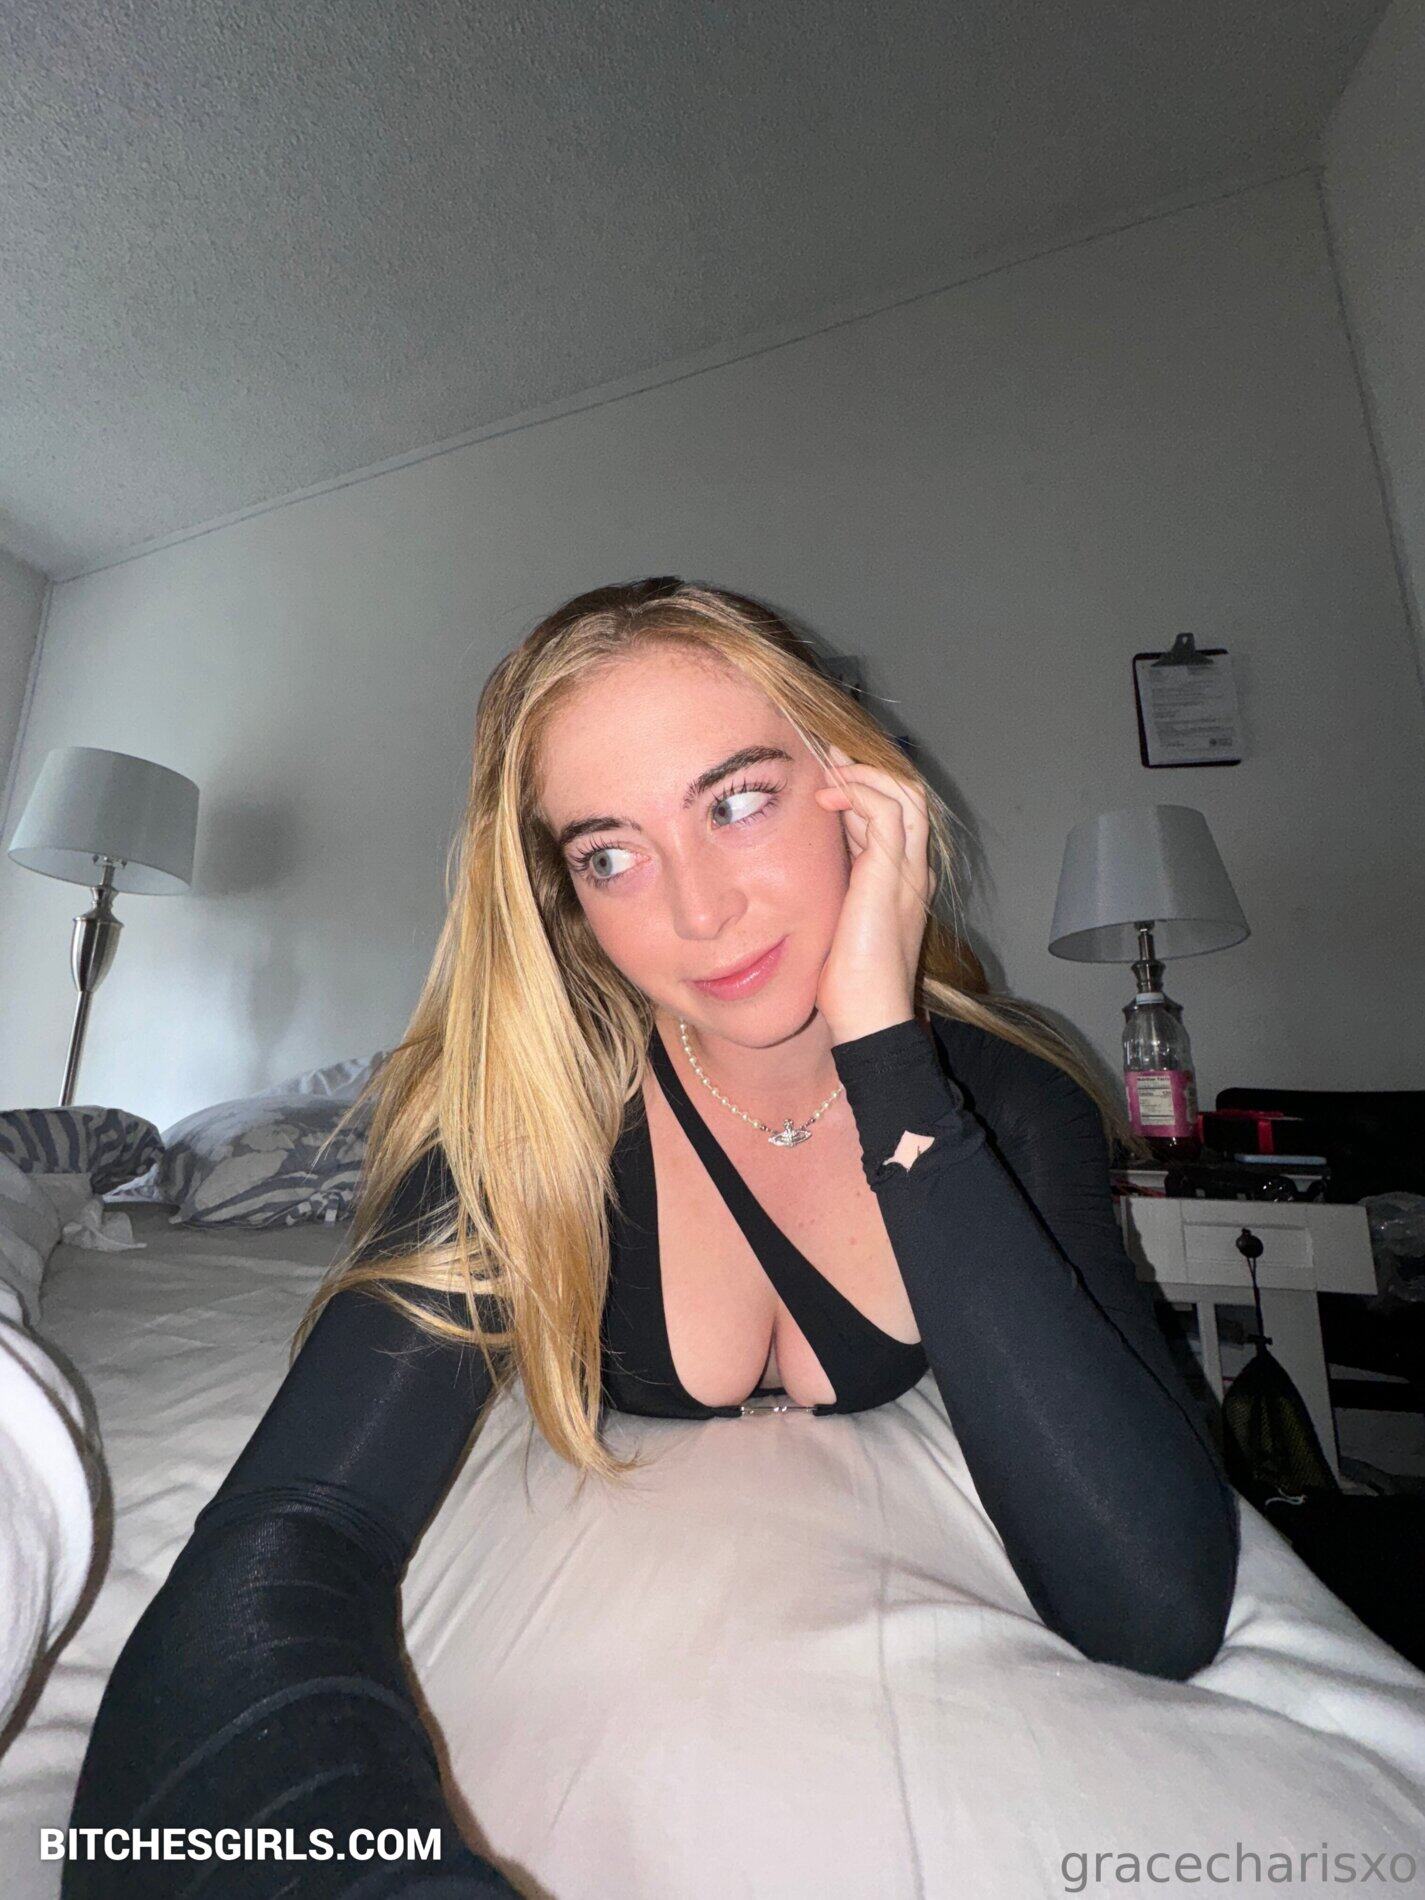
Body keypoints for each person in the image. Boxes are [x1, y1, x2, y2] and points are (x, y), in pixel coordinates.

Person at [65, 577, 1240, 1897]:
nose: (698, 913)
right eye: (610, 854)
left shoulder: (1009, 1103)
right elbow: (291, 1531)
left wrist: (888, 1060)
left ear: (859, 789)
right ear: (565, 895)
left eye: (737, 802)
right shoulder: (531, 1123)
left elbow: (1152, 1610)